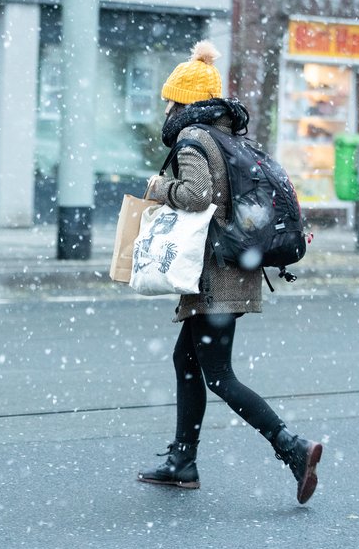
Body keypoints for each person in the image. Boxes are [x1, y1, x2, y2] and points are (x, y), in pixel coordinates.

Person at [137, 41, 324, 505]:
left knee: (218, 374)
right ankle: (182, 460)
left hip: (216, 272)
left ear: (183, 102)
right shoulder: (226, 136)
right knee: (187, 360)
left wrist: (160, 188)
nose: (165, 107)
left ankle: (293, 448)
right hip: (233, 265)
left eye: (170, 99)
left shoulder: (192, 139)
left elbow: (198, 196)